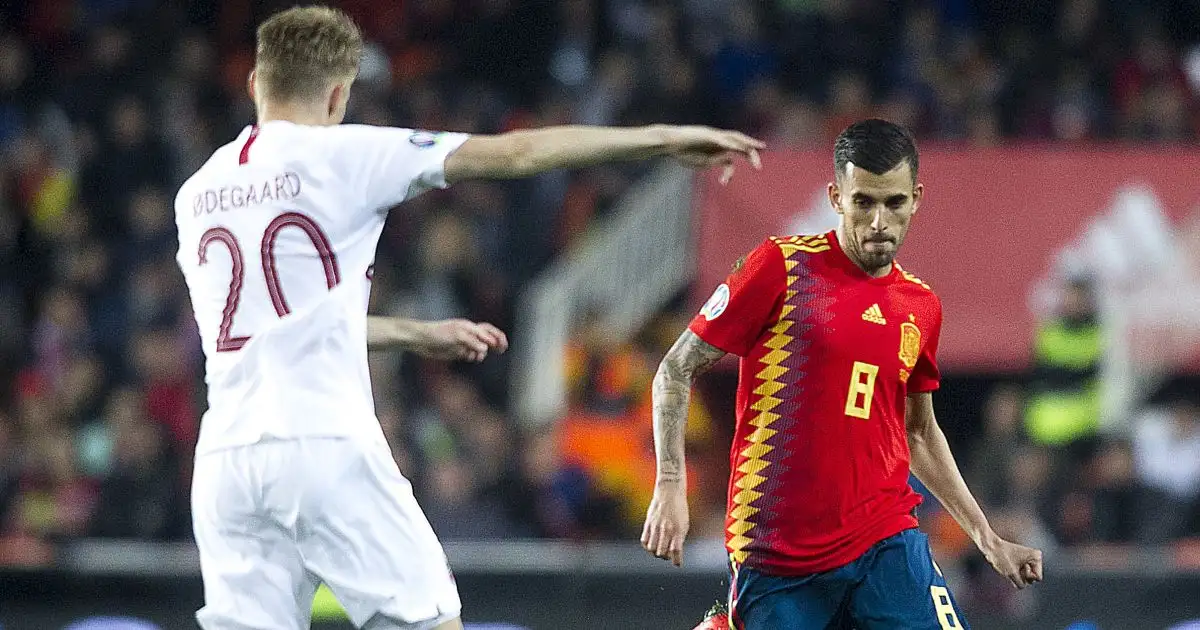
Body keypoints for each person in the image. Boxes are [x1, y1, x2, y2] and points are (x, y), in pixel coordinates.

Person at [174, 6, 764, 630]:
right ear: (339, 93)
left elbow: (266, 327)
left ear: (253, 85)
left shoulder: (197, 193)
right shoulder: (343, 152)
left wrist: (412, 334)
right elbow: (515, 153)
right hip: (322, 442)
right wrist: (660, 139)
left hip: (226, 462)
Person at [641, 119, 1042, 629]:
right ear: (836, 196)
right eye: (864, 202)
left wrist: (987, 539)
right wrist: (671, 483)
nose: (879, 221)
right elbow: (675, 368)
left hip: (885, 539)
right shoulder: (780, 267)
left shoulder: (920, 306)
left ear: (916, 199)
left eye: (894, 203)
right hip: (779, 555)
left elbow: (917, 430)